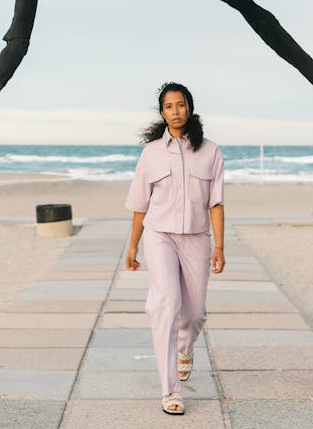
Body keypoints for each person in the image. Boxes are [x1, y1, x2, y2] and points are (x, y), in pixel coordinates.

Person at [125, 82, 225, 416]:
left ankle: (185, 348)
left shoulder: (211, 151)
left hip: (197, 237)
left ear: (190, 108)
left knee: (194, 312)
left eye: (180, 105)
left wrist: (220, 246)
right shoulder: (151, 152)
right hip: (159, 236)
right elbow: (140, 205)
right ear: (162, 112)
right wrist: (132, 246)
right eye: (168, 107)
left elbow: (216, 202)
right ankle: (170, 391)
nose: (175, 111)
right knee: (166, 305)